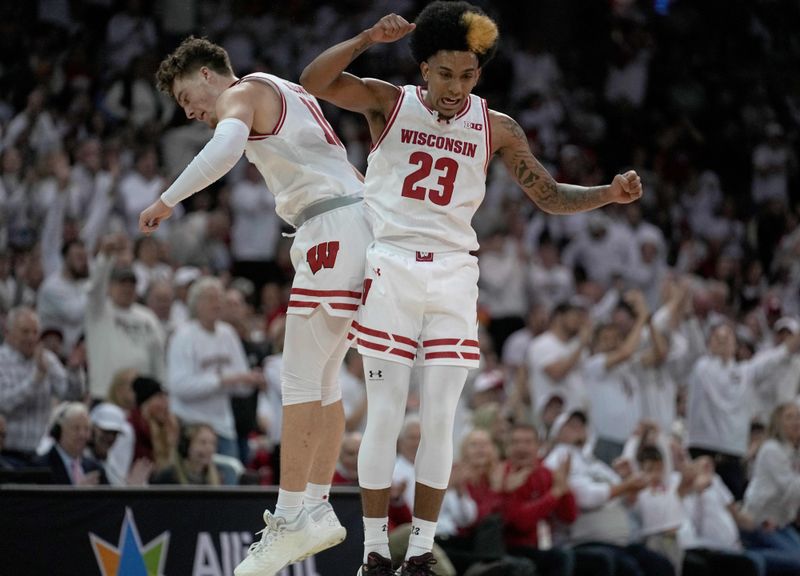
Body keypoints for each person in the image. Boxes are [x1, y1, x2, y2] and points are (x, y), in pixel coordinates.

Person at [300, 4, 643, 574]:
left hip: (456, 274)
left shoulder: (497, 127)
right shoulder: (390, 102)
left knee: (440, 418)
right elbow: (314, 83)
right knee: (384, 415)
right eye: (445, 73)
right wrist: (366, 37)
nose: (456, 86)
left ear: (478, 74)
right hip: (391, 263)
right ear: (424, 69)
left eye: (467, 74)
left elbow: (548, 194)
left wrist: (607, 193)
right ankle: (373, 553)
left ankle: (419, 554)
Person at [138, 36, 371, 575]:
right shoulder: (285, 88)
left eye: (184, 96)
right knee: (326, 379)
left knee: (296, 380)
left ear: (206, 73)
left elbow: (222, 151)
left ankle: (290, 518)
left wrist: (167, 200)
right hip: (355, 222)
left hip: (331, 227)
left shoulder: (241, 93)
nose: (191, 111)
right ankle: (317, 505)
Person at [166, 277, 264, 459]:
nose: (217, 303)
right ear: (196, 303)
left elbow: (243, 388)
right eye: (210, 298)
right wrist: (223, 380)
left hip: (223, 426)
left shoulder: (228, 334)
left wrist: (250, 380)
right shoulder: (183, 336)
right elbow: (180, 387)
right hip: (190, 426)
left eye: (220, 298)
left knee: (230, 481)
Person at [85, 234, 166, 401]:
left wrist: (162, 390)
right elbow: (95, 288)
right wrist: (105, 258)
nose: (127, 288)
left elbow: (158, 356)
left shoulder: (148, 317)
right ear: (110, 286)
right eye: (122, 283)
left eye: (131, 284)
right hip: (105, 395)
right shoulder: (98, 311)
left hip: (141, 399)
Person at [0, 306, 68, 466]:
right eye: (25, 332)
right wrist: (36, 379)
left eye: (35, 332)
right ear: (7, 332)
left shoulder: (46, 359)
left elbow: (65, 391)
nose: (31, 338)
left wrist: (74, 369)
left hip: (41, 453)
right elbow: (4, 404)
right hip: (8, 453)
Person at [35, 402, 108, 485]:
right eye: (76, 428)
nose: (82, 435)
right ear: (59, 431)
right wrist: (76, 492)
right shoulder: (41, 467)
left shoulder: (95, 468)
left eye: (86, 429)